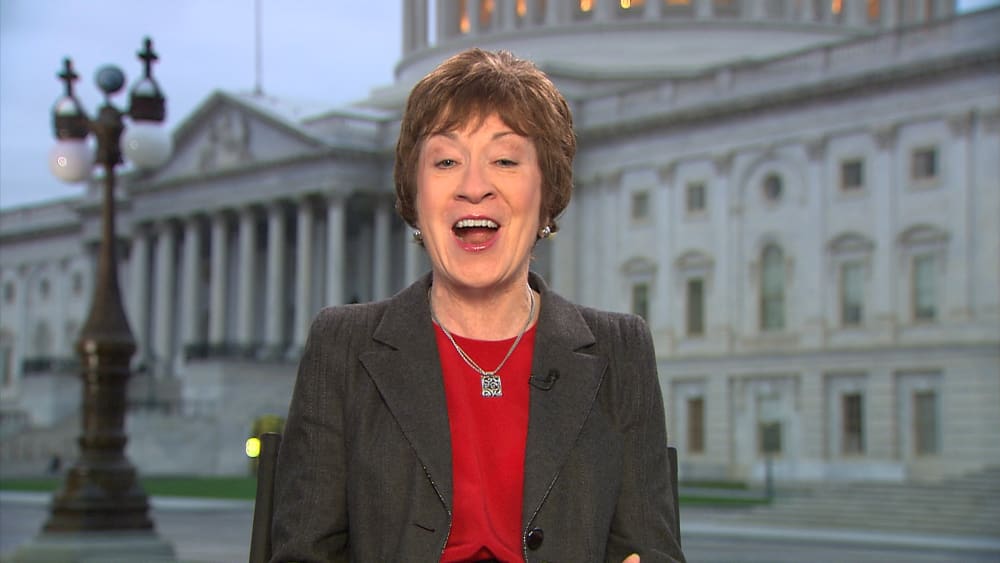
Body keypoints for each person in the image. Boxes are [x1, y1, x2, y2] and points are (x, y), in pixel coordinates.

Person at [270, 48, 684, 563]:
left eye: (505, 161)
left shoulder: (621, 352)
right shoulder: (342, 346)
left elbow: (651, 551)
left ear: (547, 193)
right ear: (414, 195)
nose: (473, 188)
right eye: (446, 162)